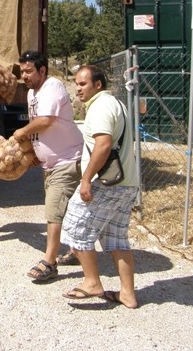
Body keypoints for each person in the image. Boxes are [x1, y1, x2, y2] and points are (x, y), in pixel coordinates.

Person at [60, 65, 139, 308]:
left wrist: (86, 179)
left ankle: (92, 282)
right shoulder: (117, 104)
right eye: (76, 83)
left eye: (83, 84)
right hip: (127, 183)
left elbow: (103, 145)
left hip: (106, 183)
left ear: (98, 85)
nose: (78, 88)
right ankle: (128, 294)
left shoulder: (100, 107)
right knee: (116, 238)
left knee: (74, 226)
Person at [13, 50, 83, 282]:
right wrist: (34, 151)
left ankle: (49, 262)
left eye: (29, 71)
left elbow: (45, 120)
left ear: (42, 70)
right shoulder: (33, 91)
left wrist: (21, 133)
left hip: (67, 160)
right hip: (51, 164)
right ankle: (76, 250)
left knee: (53, 212)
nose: (25, 75)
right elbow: (39, 123)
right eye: (22, 71)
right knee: (70, 210)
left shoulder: (52, 86)